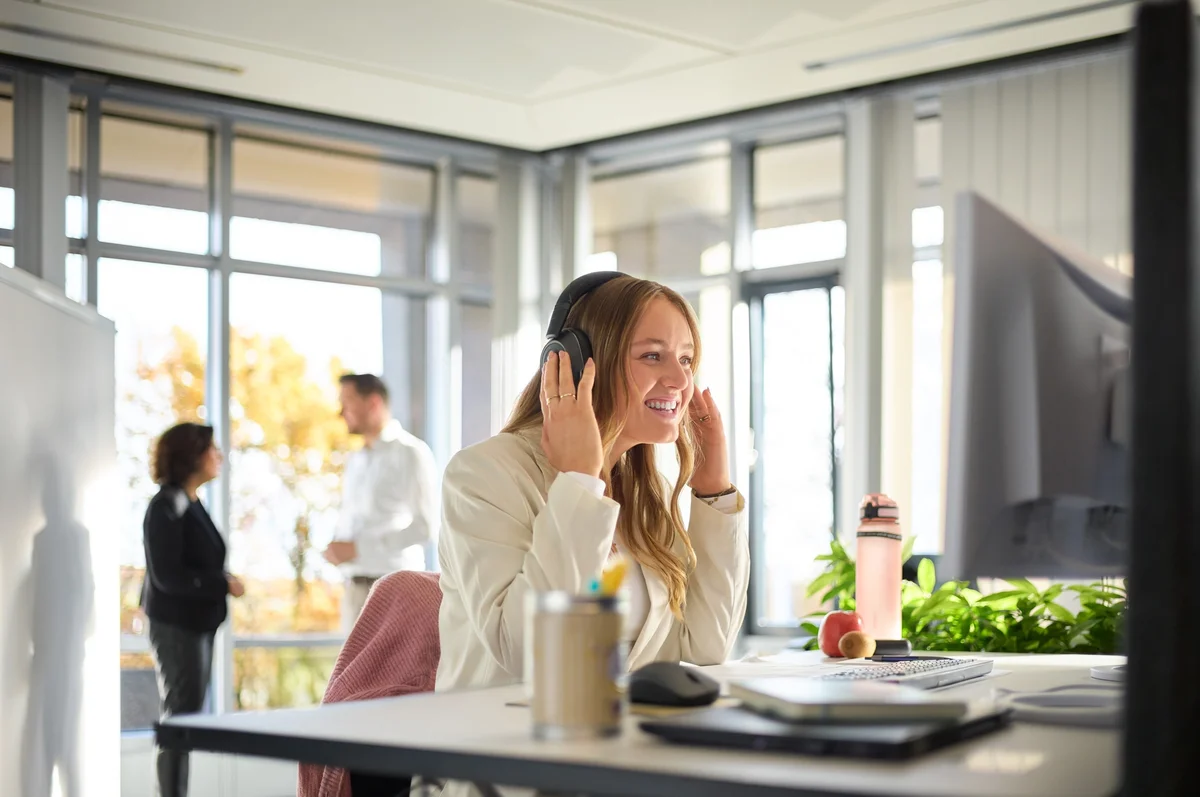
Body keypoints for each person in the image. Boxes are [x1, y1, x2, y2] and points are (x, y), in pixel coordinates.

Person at [436, 272, 750, 695]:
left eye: (687, 359)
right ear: (575, 361)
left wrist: (714, 490)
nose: (679, 380)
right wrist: (579, 482)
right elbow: (529, 652)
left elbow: (705, 648)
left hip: (616, 743)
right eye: (653, 356)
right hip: (506, 748)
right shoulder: (483, 474)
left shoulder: (645, 492)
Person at [141, 422, 244, 797]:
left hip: (196, 626)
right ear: (190, 457)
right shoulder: (166, 506)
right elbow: (167, 576)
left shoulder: (190, 502)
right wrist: (222, 584)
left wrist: (221, 580)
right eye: (210, 449)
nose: (218, 456)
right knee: (179, 720)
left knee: (186, 718)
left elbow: (198, 563)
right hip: (176, 626)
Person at [325, 373, 439, 632]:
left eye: (347, 402)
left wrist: (358, 548)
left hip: (394, 591)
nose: (341, 412)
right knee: (352, 673)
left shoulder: (410, 453)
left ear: (373, 403)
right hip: (353, 589)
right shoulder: (355, 459)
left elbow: (425, 527)